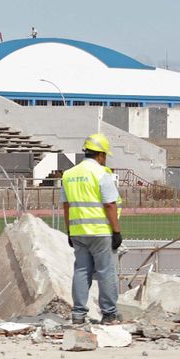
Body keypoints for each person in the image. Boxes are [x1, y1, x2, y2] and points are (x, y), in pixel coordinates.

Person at [60, 133, 123, 324]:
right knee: (105, 272)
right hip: (100, 231)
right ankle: (109, 313)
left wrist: (69, 230)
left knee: (81, 271)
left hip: (78, 231)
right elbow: (110, 204)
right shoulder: (101, 174)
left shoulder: (69, 175)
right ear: (101, 155)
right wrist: (117, 231)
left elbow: (66, 206)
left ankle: (78, 314)